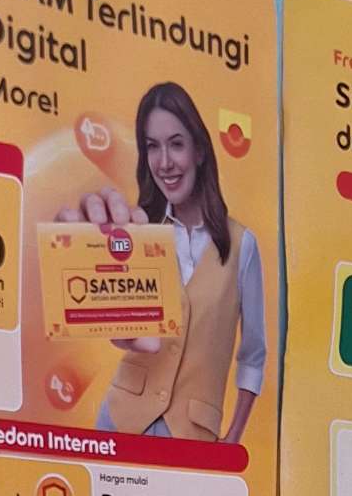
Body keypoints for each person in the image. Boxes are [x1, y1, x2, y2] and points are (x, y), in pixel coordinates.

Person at [61, 81, 266, 443]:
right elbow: (120, 328)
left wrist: (234, 436)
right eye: (152, 147)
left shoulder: (242, 245)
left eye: (176, 144)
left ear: (199, 150)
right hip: (121, 419)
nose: (165, 162)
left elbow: (253, 354)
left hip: (193, 434)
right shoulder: (138, 230)